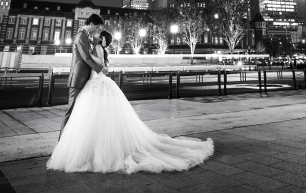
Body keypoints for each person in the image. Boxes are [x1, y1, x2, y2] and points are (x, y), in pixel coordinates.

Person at [47, 30, 214, 173]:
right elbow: (105, 65)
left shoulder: (97, 48)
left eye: (100, 36)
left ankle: (93, 148)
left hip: (96, 82)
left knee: (92, 116)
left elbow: (99, 63)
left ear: (103, 39)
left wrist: (88, 55)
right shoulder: (103, 49)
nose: (97, 37)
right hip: (100, 81)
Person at [58, 14, 107, 140]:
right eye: (96, 27)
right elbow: (86, 57)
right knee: (71, 112)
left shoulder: (85, 36)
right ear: (91, 24)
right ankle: (61, 142)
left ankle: (70, 141)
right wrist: (101, 69)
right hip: (77, 79)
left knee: (78, 112)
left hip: (83, 79)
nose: (96, 30)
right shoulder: (81, 36)